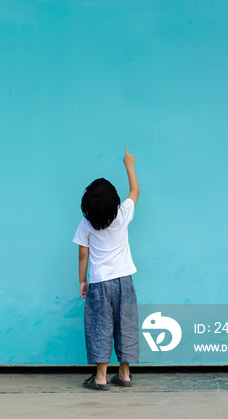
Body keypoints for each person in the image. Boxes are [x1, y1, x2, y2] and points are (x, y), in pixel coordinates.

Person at [73, 148, 140, 390]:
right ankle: (124, 374)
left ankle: (100, 378)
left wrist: (82, 280)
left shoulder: (86, 224)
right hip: (125, 281)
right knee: (126, 324)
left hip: (100, 283)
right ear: (114, 201)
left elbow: (83, 254)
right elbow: (135, 191)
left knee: (99, 326)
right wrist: (128, 164)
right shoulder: (122, 214)